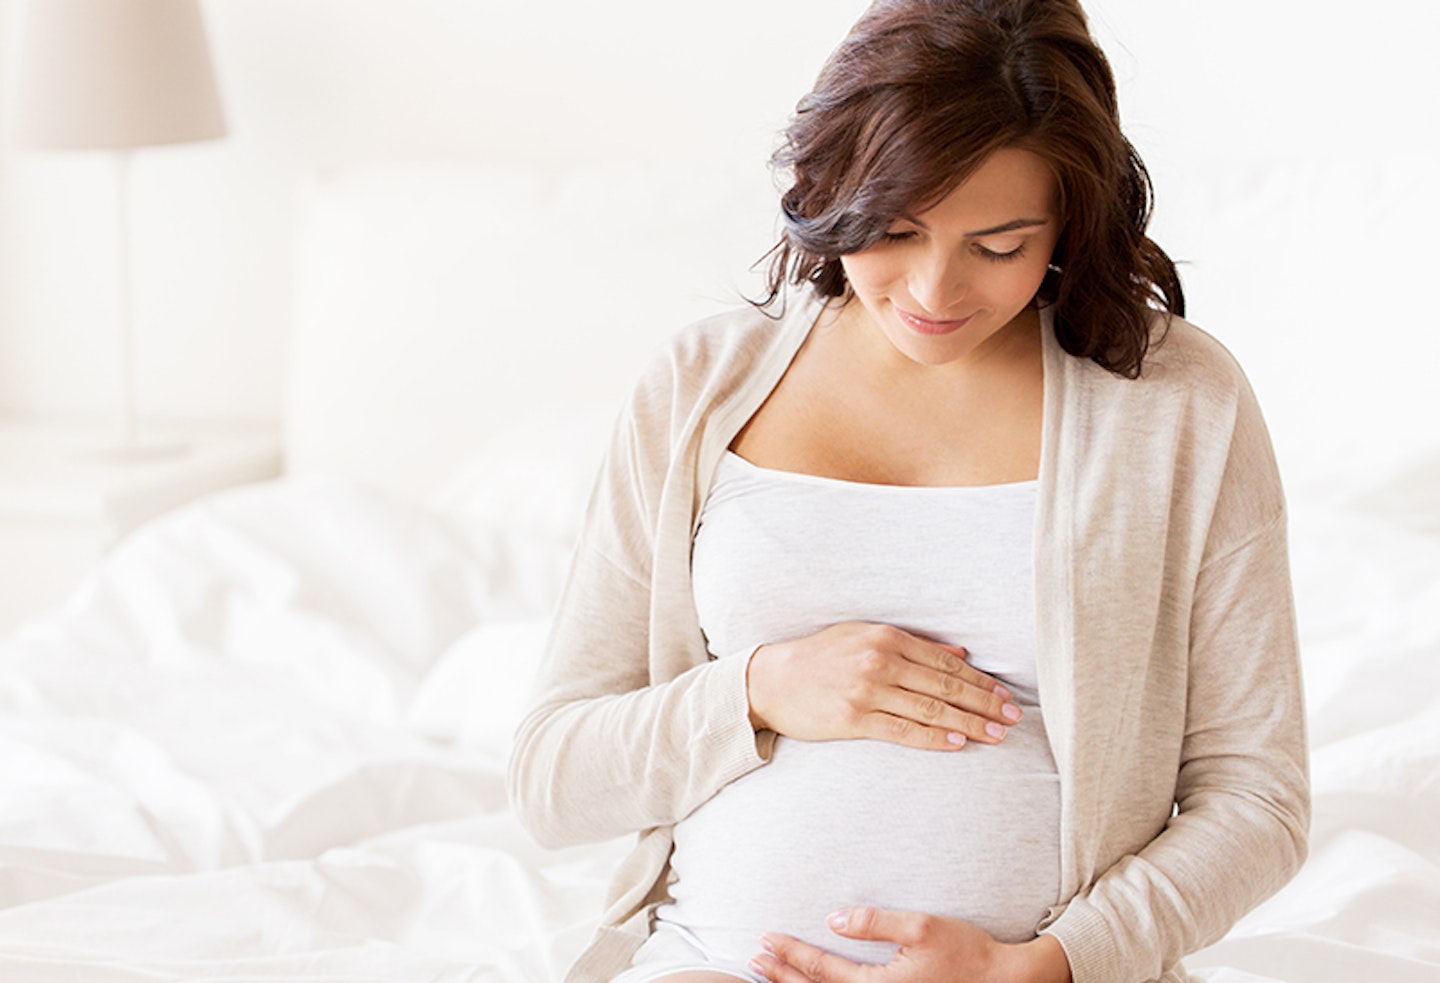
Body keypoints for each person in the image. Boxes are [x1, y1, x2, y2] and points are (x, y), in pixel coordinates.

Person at [507, 0, 1310, 981]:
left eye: (999, 245)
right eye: (893, 229)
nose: (934, 291)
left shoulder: (1176, 399)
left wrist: (1047, 963)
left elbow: (1258, 798)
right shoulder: (700, 386)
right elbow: (552, 776)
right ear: (832, 184)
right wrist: (759, 689)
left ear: (1068, 217)